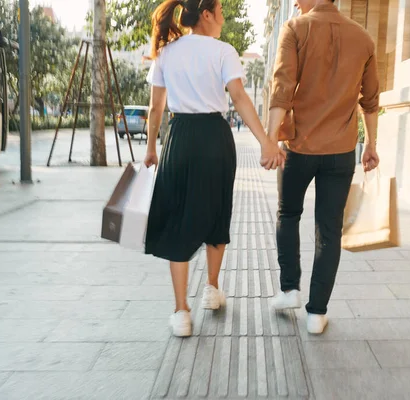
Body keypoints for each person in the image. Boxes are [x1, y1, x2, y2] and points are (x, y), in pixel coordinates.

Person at [143, 0, 285, 337]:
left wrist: (151, 148)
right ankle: (211, 287)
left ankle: (181, 312)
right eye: (221, 10)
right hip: (215, 138)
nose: (224, 16)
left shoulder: (166, 52)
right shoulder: (224, 51)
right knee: (217, 210)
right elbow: (239, 97)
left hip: (179, 138)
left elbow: (155, 108)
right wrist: (266, 141)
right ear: (206, 15)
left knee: (176, 217)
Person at [265, 0, 380, 334]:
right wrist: (371, 144)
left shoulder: (295, 29)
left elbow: (281, 89)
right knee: (329, 229)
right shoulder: (364, 38)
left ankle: (290, 290)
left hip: (298, 147)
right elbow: (370, 100)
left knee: (288, 214)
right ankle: (317, 313)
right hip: (341, 151)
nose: (296, 3)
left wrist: (271, 139)